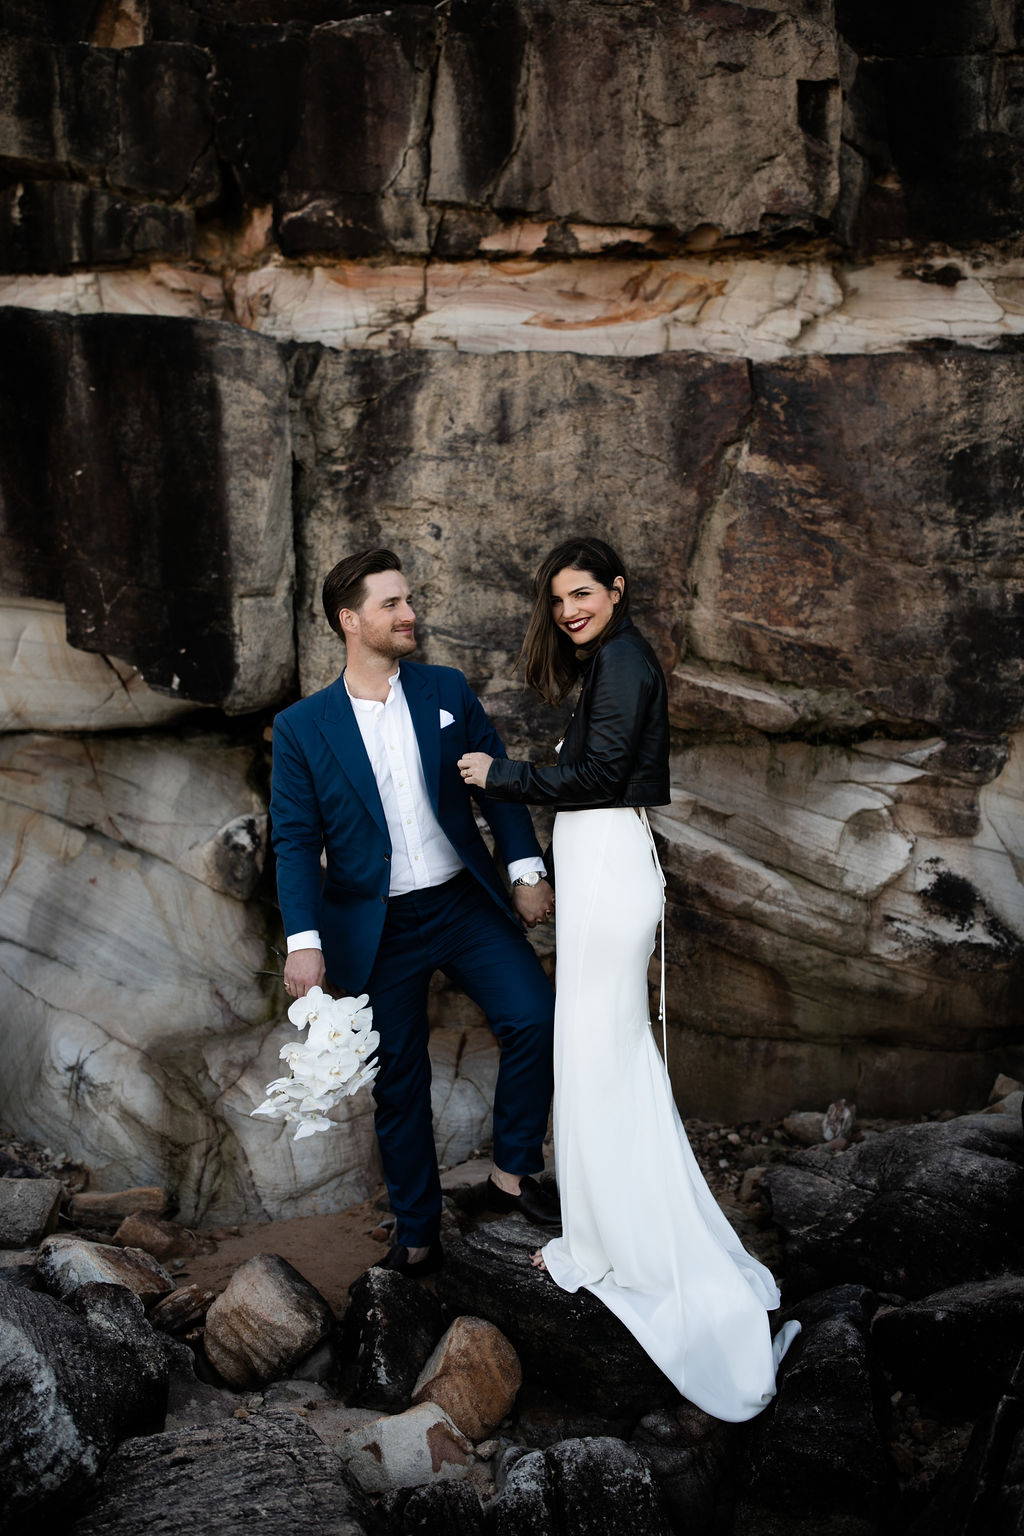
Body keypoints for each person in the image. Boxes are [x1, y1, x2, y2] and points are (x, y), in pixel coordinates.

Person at [458, 536, 799, 1421]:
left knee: (597, 1048)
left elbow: (600, 776)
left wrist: (503, 776)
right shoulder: (609, 661)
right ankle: (605, 1228)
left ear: (617, 590)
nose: (569, 610)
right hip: (605, 863)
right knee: (603, 1049)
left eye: (583, 594)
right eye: (558, 599)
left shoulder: (623, 662)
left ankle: (617, 1245)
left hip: (610, 863)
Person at [270, 548, 561, 1278]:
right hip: (376, 925)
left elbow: (495, 782)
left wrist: (526, 869)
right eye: (391, 605)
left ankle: (512, 1175)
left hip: (464, 900)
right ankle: (418, 1226)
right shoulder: (304, 728)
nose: (409, 615)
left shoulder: (445, 690)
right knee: (398, 1079)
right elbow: (297, 840)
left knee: (535, 1016)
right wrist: (302, 941)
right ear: (350, 620)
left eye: (407, 601)